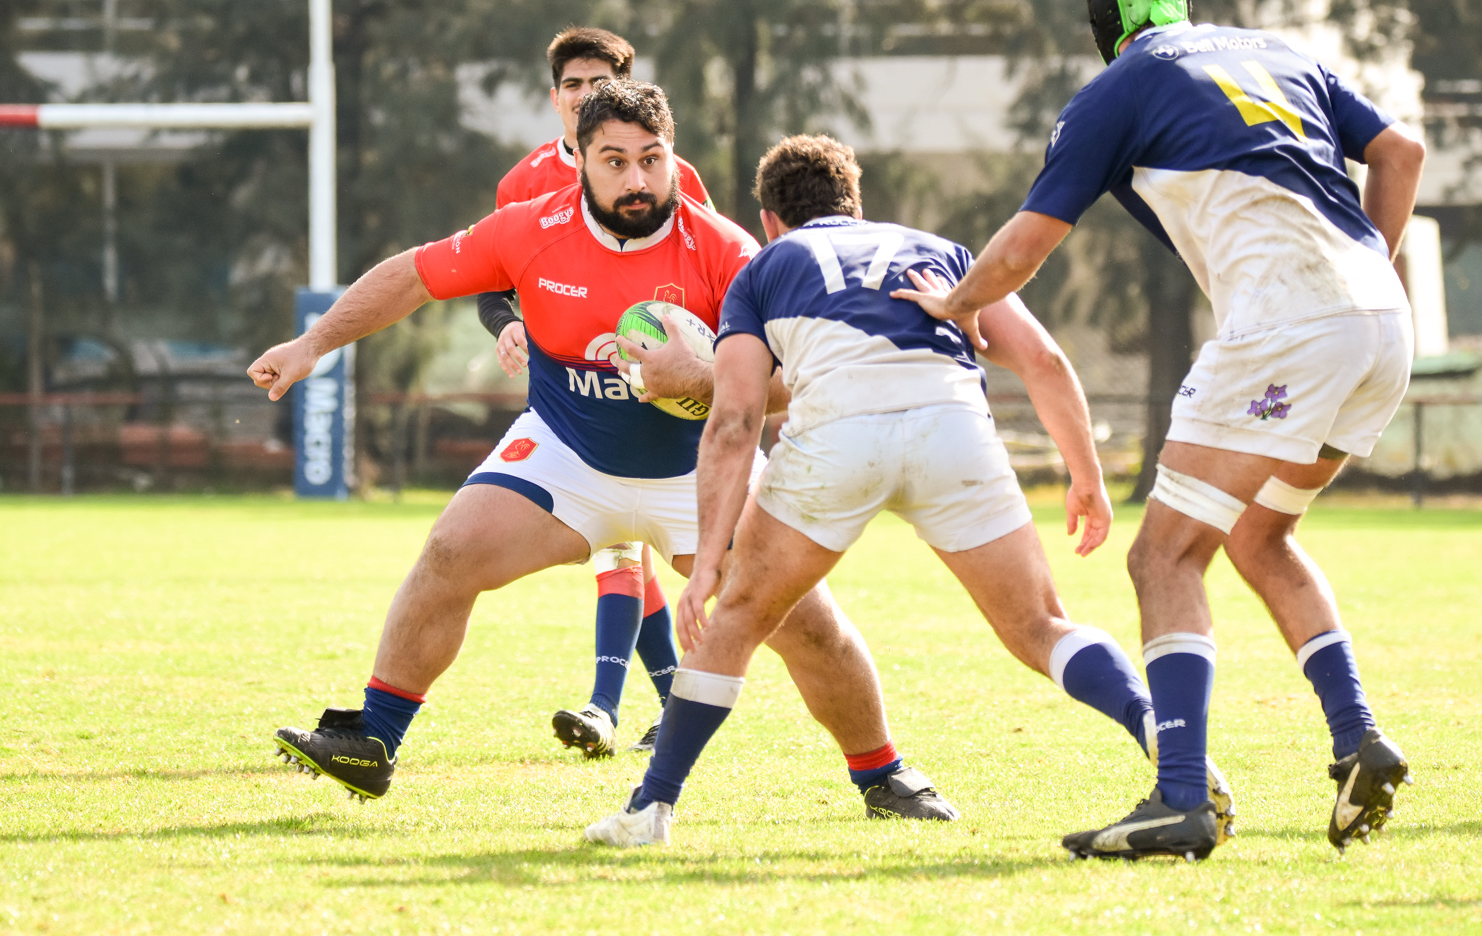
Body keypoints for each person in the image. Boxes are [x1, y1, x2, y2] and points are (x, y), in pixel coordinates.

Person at [249, 82, 957, 821]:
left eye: (652, 159)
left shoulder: (726, 251)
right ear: (580, 159)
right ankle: (375, 739)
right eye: (614, 160)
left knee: (806, 620)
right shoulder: (529, 229)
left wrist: (699, 377)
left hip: (697, 471)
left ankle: (886, 775)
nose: (637, 179)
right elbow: (414, 276)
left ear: (674, 157)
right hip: (566, 451)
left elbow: (790, 379)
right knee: (451, 551)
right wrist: (312, 343)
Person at [895, 0, 1426, 861]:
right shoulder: (1276, 52)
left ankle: (1180, 794)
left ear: (1104, 19)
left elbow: (1024, 245)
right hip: (1383, 321)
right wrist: (1364, 279)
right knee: (1262, 534)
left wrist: (957, 299)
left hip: (1288, 328)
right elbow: (1402, 152)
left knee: (1163, 558)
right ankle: (1358, 737)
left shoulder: (1119, 88)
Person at [584, 134, 1236, 851]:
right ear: (857, 206)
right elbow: (1044, 360)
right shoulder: (941, 250)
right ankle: (1162, 735)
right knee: (1040, 625)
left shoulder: (765, 266)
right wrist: (1085, 473)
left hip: (839, 434)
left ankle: (651, 809)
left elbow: (735, 419)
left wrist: (709, 558)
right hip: (952, 427)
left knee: (737, 614)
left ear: (770, 220)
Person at [475, 26, 718, 757]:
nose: (585, 95)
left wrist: (695, 365)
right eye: (573, 85)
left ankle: (610, 706)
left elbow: (706, 274)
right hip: (569, 395)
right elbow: (490, 282)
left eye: (599, 82)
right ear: (555, 99)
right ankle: (660, 700)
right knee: (621, 545)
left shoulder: (671, 173)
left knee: (625, 546)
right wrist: (508, 324)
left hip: (661, 398)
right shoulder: (520, 184)